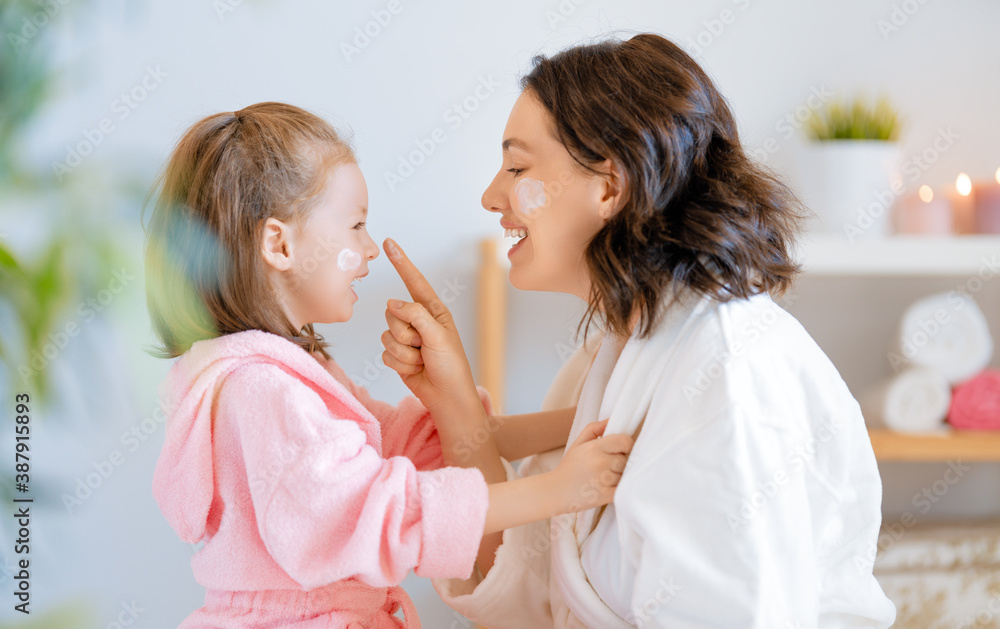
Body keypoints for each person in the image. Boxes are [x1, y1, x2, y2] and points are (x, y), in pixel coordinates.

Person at [379, 34, 897, 627]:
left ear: (609, 185)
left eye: (518, 167)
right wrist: (452, 399)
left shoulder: (727, 370)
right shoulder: (613, 354)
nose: (491, 196)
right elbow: (534, 598)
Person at [144, 101, 632, 628]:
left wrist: (586, 417)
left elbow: (435, 445)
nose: (370, 248)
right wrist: (559, 490)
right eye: (355, 226)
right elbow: (381, 512)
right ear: (279, 244)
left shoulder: (298, 375)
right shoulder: (261, 392)